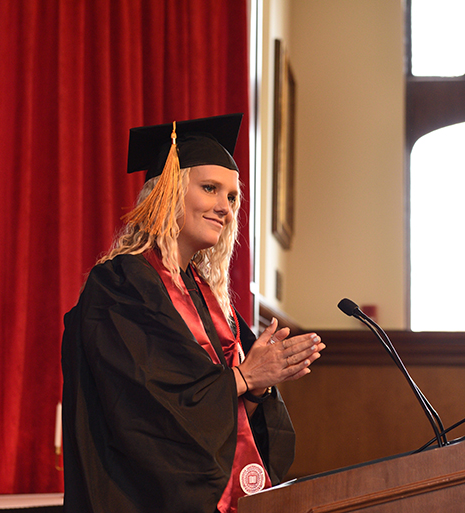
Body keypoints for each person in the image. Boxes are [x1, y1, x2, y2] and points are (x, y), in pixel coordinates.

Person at [61, 113, 325, 513]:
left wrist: (256, 387)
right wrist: (243, 377)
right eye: (210, 189)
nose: (225, 207)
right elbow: (146, 412)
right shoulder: (121, 286)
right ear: (166, 193)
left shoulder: (209, 297)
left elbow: (222, 421)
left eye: (232, 197)